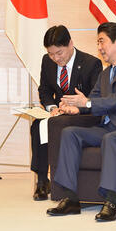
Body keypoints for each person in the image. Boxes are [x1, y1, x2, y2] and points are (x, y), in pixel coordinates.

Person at [47, 22, 116, 221]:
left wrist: (87, 103)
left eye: (101, 41)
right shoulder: (106, 73)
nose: (98, 47)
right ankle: (70, 197)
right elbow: (95, 97)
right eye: (98, 42)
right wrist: (76, 108)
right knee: (70, 132)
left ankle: (111, 200)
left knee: (112, 139)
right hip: (110, 126)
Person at [30, 25, 102, 201]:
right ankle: (41, 181)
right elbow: (44, 90)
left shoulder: (91, 64)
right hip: (57, 113)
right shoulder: (47, 62)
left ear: (70, 44)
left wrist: (78, 107)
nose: (55, 58)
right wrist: (51, 108)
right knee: (38, 125)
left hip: (81, 115)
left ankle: (62, 182)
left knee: (55, 126)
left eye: (59, 53)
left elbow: (96, 97)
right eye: (51, 54)